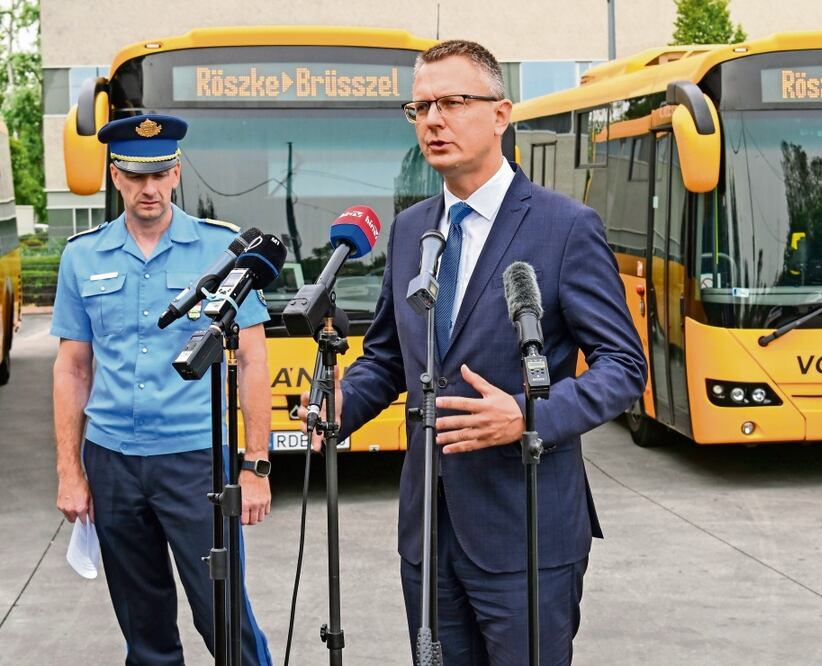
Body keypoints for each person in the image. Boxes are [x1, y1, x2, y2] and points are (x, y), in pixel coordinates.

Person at [312, 40, 646, 664]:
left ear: (501, 114)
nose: (433, 120)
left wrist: (529, 414)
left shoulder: (565, 227)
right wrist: (339, 405)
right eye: (421, 107)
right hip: (429, 530)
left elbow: (624, 368)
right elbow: (388, 358)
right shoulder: (413, 228)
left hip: (525, 529)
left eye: (454, 102)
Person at [52, 114, 275, 665]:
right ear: (116, 176)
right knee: (142, 623)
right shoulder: (82, 256)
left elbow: (251, 360)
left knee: (223, 615)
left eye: (160, 174)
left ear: (176, 173)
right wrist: (69, 471)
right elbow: (73, 369)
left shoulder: (223, 252)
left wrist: (255, 465)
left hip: (195, 461)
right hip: (113, 462)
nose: (148, 188)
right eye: (135, 175)